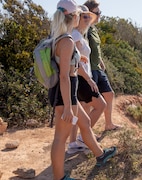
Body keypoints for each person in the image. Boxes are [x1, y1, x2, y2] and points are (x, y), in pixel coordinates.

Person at [49, 0, 116, 179]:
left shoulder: (59, 37)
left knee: (85, 123)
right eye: (80, 14)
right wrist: (69, 108)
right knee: (60, 138)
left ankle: (100, 155)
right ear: (75, 16)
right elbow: (64, 76)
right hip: (65, 93)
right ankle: (60, 177)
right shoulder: (67, 41)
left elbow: (67, 66)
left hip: (66, 92)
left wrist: (80, 61)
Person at [67, 4, 107, 154]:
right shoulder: (76, 35)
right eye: (84, 16)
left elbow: (79, 57)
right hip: (82, 78)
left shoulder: (78, 34)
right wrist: (89, 80)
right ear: (77, 17)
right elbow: (75, 61)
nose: (87, 19)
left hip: (80, 78)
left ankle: (72, 144)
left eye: (88, 17)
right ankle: (84, 139)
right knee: (101, 105)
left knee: (80, 112)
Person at [84, 0, 121, 131]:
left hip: (97, 68)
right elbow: (82, 50)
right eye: (98, 12)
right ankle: (86, 133)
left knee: (109, 94)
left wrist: (100, 60)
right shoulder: (84, 30)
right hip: (89, 70)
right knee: (90, 103)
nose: (100, 15)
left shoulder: (93, 29)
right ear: (89, 13)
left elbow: (95, 48)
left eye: (100, 12)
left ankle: (109, 124)